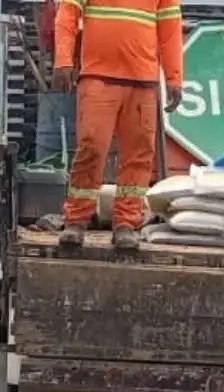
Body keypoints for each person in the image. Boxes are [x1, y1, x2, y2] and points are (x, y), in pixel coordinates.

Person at [52, 0, 183, 250]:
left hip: (142, 80)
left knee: (139, 155)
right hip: (98, 76)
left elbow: (170, 28)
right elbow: (67, 14)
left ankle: (126, 224)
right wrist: (63, 61)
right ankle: (77, 220)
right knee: (91, 147)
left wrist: (174, 77)